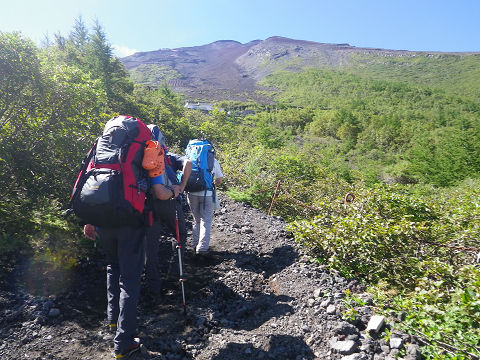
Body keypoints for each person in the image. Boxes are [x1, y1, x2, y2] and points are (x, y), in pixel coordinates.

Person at [83, 161, 179, 359]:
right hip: (130, 221)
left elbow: (91, 183)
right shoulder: (145, 147)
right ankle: (124, 342)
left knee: (113, 266)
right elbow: (160, 193)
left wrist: (89, 219)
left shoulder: (103, 147)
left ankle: (113, 320)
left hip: (103, 219)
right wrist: (175, 190)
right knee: (130, 278)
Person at [144, 125, 192, 296]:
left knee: (150, 247)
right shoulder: (165, 154)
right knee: (180, 235)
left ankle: (153, 288)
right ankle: (174, 272)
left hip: (147, 204)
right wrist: (182, 186)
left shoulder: (140, 154)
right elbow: (188, 162)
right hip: (170, 200)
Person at [186, 156, 224, 254]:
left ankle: (195, 245)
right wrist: (212, 183)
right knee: (205, 221)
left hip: (191, 193)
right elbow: (219, 180)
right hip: (207, 194)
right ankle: (202, 248)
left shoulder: (189, 159)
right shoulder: (213, 161)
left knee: (196, 220)